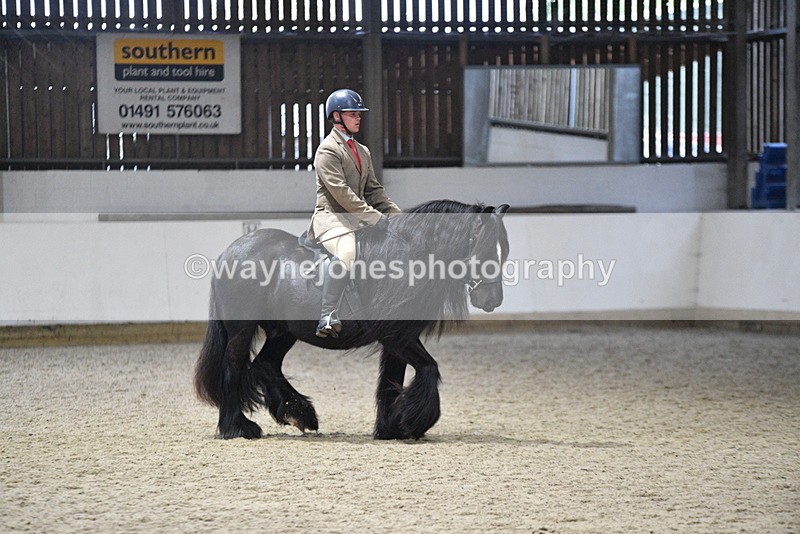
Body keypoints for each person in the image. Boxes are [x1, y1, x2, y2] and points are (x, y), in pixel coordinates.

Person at [308, 89, 401, 338]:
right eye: (352, 114)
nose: (358, 118)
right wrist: (375, 218)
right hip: (331, 219)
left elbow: (374, 191)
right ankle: (327, 315)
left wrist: (399, 217)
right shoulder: (327, 150)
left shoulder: (362, 151)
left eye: (359, 114)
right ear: (336, 116)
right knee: (347, 250)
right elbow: (341, 193)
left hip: (355, 219)